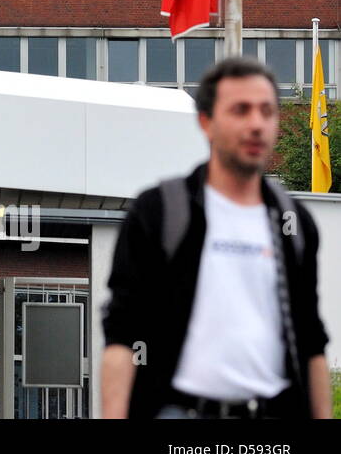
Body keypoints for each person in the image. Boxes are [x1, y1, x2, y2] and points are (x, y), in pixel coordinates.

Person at [102, 57, 332, 419]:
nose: (256, 124)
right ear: (206, 122)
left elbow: (311, 340)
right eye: (241, 110)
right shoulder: (161, 211)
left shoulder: (295, 223)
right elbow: (122, 332)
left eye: (266, 112)